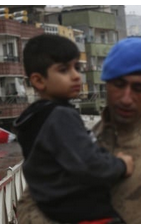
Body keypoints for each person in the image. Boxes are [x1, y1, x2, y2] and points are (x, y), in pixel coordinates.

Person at [17, 37, 141, 223]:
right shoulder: (74, 138)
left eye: (138, 88)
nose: (126, 98)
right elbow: (30, 204)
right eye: (119, 85)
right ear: (106, 84)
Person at [13, 34, 134, 223]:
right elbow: (89, 164)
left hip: (52, 209)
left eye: (76, 68)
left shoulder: (34, 118)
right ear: (38, 81)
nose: (76, 75)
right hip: (84, 213)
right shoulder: (61, 116)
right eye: (64, 70)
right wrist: (121, 165)